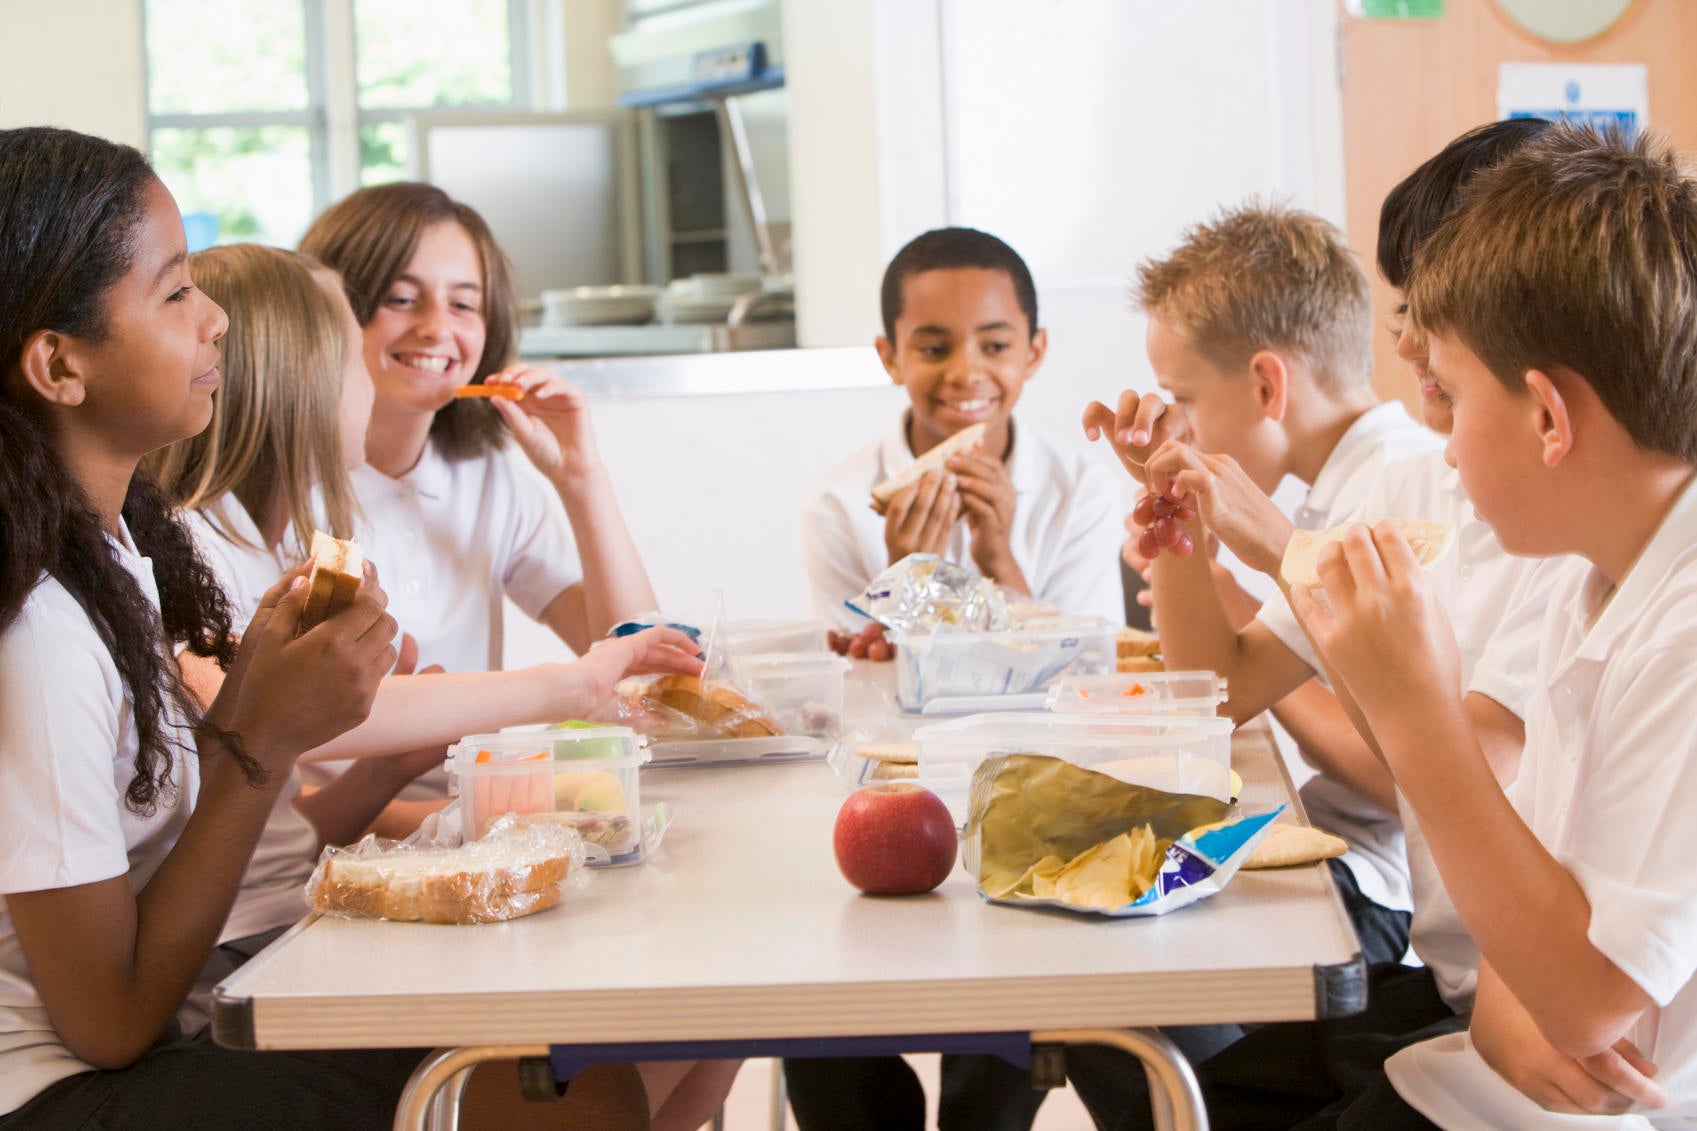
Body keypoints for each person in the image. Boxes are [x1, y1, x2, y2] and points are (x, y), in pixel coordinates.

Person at [0, 124, 648, 1131]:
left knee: (587, 1057)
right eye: (174, 294)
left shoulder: (123, 555)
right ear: (58, 366)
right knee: (574, 1094)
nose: (215, 320)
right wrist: (261, 737)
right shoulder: (36, 628)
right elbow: (109, 1025)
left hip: (181, 1006)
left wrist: (273, 726)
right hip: (65, 1091)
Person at [1298, 124, 1697, 1128]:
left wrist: (1415, 709)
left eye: (1456, 393)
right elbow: (1547, 873)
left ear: (1547, 421)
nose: (1443, 443)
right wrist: (1499, 1013)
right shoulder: (1594, 581)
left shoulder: (1681, 628)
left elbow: (1585, 997)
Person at [1083, 201, 1435, 964]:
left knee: (1117, 956)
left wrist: (1287, 577)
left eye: (1183, 397)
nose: (1176, 419)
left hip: (1385, 891)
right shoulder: (1335, 488)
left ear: (1267, 386)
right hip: (1335, 848)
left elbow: (1396, 778)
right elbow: (1218, 687)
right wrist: (1172, 508)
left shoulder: (1397, 487)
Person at [801, 226, 1124, 639]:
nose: (966, 374)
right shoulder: (836, 507)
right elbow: (854, 686)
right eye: (934, 350)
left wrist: (1000, 563)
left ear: (1034, 352)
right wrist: (906, 582)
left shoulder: (1082, 492)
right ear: (891, 358)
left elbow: (1091, 675)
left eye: (995, 347)